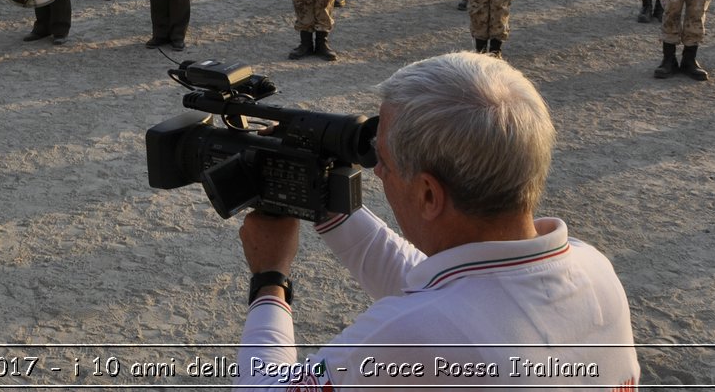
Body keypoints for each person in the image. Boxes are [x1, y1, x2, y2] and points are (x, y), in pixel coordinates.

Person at [235, 53, 640, 390]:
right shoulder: (594, 270)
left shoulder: (419, 332)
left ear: (429, 195)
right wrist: (324, 204)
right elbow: (455, 293)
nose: (377, 172)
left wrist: (270, 279)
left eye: (385, 163)